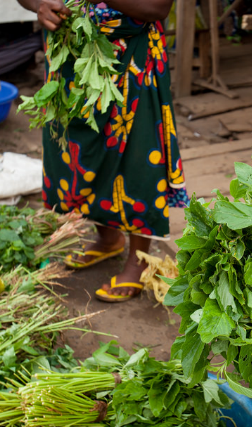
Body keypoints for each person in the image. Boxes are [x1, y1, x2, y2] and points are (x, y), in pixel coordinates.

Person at [17, 0, 187, 302]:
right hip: (71, 54)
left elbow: (158, 6)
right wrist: (39, 4)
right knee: (78, 153)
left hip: (131, 55)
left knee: (138, 155)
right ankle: (108, 238)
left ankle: (139, 262)